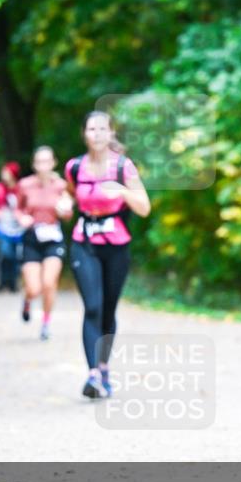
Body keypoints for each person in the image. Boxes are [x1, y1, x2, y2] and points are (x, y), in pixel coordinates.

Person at [65, 111, 151, 399]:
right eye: (92, 128)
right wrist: (65, 205)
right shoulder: (75, 167)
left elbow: (144, 207)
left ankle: (103, 367)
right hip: (84, 241)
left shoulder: (123, 167)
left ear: (110, 133)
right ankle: (92, 375)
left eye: (103, 128)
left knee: (108, 309)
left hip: (116, 244)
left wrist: (122, 192)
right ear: (84, 134)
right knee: (93, 305)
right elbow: (70, 196)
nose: (98, 133)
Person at [16, 146, 73, 341]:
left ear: (53, 163)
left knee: (49, 283)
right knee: (34, 288)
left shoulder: (61, 185)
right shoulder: (24, 185)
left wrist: (65, 211)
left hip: (52, 238)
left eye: (46, 161)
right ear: (34, 164)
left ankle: (46, 323)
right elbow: (18, 208)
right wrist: (22, 218)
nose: (43, 166)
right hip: (32, 238)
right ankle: (27, 300)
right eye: (39, 162)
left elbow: (68, 214)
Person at [0, 162, 25, 292]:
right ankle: (2, 280)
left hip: (18, 227)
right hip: (3, 226)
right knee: (5, 253)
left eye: (6, 172)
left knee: (16, 255)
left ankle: (13, 282)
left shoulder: (21, 187)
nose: (4, 175)